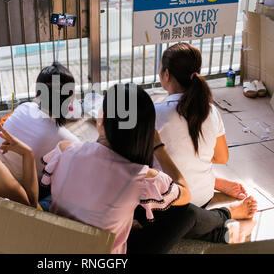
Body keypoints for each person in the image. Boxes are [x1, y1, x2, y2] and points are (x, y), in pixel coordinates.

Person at [40, 83, 257, 254]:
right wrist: (159, 148)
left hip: (59, 245)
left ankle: (219, 231)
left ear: (102, 120)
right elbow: (185, 193)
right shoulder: (141, 178)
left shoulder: (64, 149)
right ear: (146, 131)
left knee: (145, 205)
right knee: (185, 213)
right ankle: (226, 216)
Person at [155, 42, 250, 208]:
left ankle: (218, 193)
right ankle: (214, 182)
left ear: (167, 74)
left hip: (167, 203)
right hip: (203, 198)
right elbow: (222, 157)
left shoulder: (155, 114)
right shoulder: (211, 111)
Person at [0, 62, 79, 202]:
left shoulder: (25, 107)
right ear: (69, 100)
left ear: (37, 94)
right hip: (15, 192)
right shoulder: (68, 141)